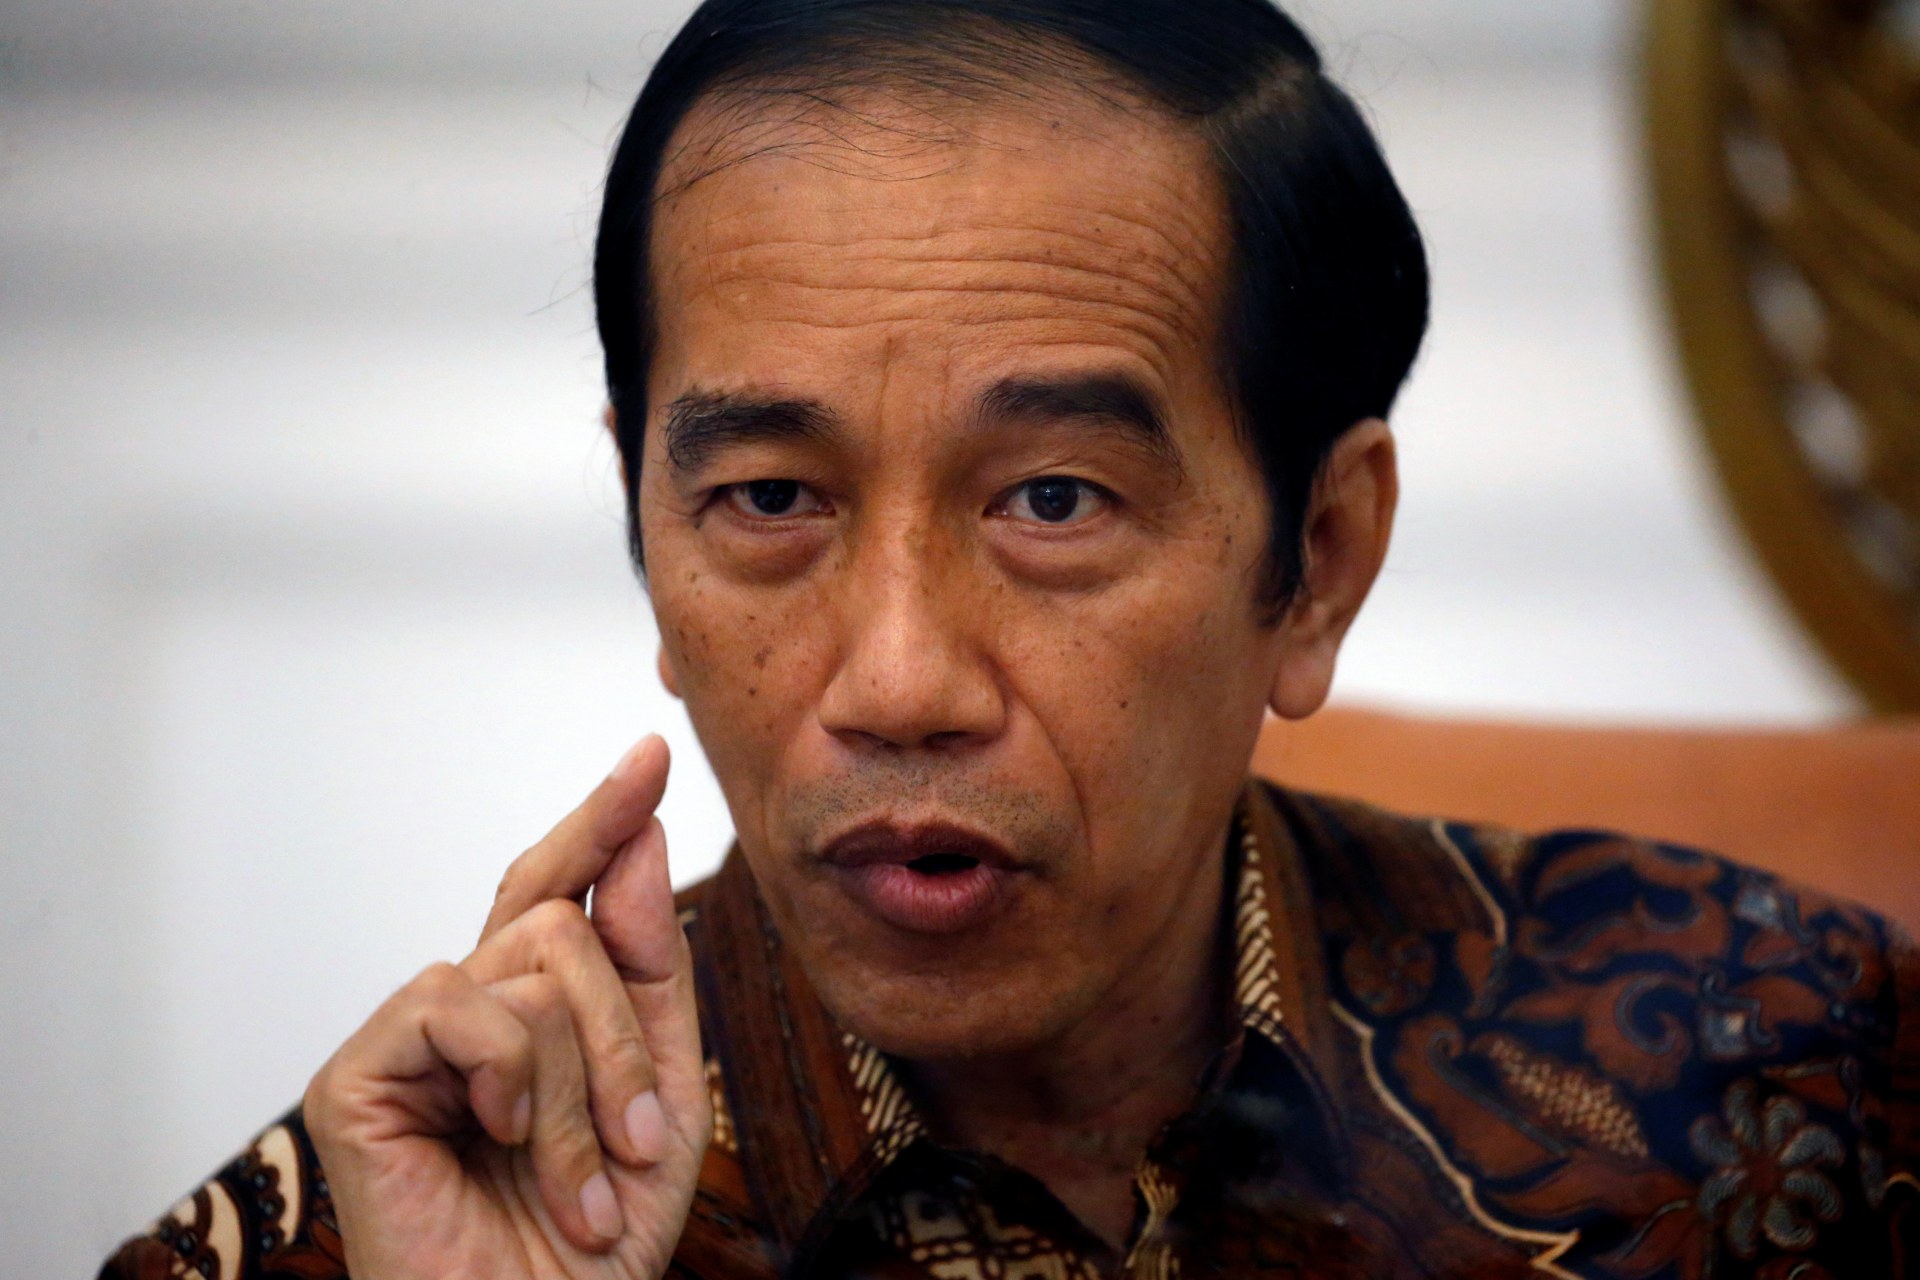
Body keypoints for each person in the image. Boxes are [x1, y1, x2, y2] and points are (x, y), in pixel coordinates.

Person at [100, 0, 1918, 1276]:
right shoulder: (389, 1221)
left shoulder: (1779, 1080)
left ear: (1320, 559)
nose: (898, 682)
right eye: (770, 499)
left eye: (1052, 499)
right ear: (646, 534)